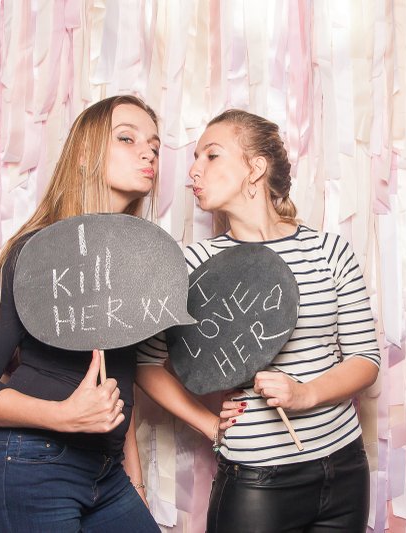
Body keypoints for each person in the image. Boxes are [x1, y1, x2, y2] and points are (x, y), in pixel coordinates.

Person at [135, 109, 380, 532]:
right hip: (256, 481)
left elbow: (365, 359)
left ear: (256, 168)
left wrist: (305, 394)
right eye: (195, 158)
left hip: (344, 468)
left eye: (211, 155)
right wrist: (209, 424)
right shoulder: (192, 266)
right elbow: (145, 363)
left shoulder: (329, 252)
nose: (194, 171)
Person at [0, 95, 163, 533]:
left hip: (105, 474)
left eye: (155, 146)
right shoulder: (36, 252)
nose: (148, 154)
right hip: (28, 465)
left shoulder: (131, 265)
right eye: (127, 139)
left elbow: (116, 383)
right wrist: (64, 415)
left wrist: (134, 480)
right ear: (84, 154)